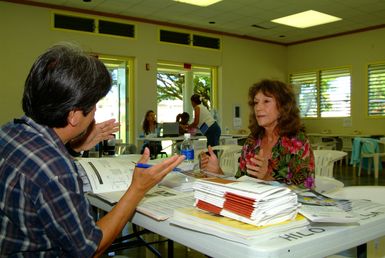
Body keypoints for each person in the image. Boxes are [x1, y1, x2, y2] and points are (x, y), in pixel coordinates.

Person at [0, 43, 185, 257]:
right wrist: (137, 189)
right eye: (94, 104)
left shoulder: (9, 132)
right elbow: (90, 249)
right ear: (74, 116)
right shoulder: (57, 171)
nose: (95, 111)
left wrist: (74, 145)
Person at [200, 79, 315, 189]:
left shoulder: (297, 142)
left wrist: (267, 178)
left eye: (266, 101)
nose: (258, 108)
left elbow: (306, 191)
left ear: (283, 107)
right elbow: (240, 182)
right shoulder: (252, 141)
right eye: (256, 102)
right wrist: (217, 172)